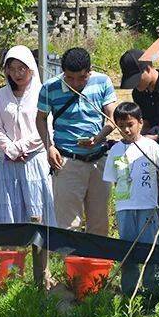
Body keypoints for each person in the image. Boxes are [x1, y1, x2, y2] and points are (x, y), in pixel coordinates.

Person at [36, 47, 117, 236]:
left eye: (82, 78)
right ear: (63, 72)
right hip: (66, 161)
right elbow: (40, 118)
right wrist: (49, 147)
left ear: (89, 71)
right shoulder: (50, 87)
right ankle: (70, 265)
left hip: (99, 160)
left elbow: (112, 117)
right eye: (70, 78)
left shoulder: (102, 82)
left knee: (99, 222)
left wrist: (99, 137)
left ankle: (96, 264)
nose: (76, 83)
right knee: (68, 224)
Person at [103, 102, 159, 296]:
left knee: (149, 250)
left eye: (130, 124)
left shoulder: (150, 146)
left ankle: (151, 291)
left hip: (147, 205)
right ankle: (129, 290)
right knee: (128, 251)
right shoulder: (115, 150)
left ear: (140, 123)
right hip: (124, 207)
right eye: (121, 126)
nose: (126, 129)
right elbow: (112, 180)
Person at [0, 45, 54, 225]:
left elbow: (45, 127)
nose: (17, 74)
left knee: (38, 211)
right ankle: (11, 251)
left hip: (34, 159)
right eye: (12, 69)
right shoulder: (2, 95)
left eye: (21, 68)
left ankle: (43, 251)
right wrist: (10, 149)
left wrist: (20, 148)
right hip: (8, 161)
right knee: (10, 210)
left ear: (30, 68)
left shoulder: (42, 93)